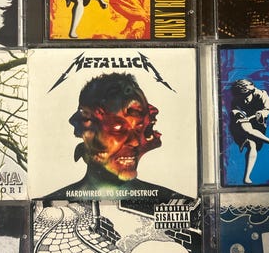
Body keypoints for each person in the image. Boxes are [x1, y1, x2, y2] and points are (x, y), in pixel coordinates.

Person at [46, 73, 183, 199]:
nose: (135, 142)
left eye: (139, 128)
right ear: (86, 130)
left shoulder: (171, 200)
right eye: (118, 129)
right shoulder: (51, 204)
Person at [229, 79, 269, 184]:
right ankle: (247, 177)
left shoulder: (261, 95)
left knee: (254, 145)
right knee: (250, 140)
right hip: (241, 127)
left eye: (246, 96)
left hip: (258, 124)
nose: (244, 99)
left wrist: (256, 115)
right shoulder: (236, 102)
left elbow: (267, 109)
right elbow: (246, 127)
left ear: (251, 91)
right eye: (241, 96)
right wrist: (243, 118)